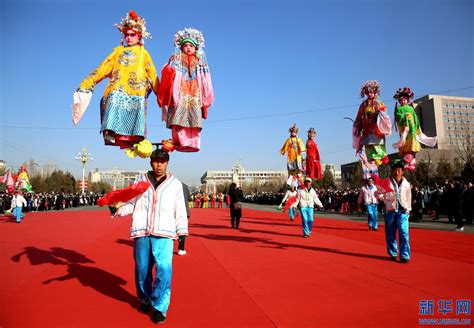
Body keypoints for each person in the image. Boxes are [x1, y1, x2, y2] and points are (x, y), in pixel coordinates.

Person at [115, 148, 188, 324]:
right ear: (150, 163)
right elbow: (132, 203)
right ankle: (145, 298)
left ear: (167, 163)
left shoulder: (175, 184)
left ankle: (159, 306)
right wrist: (117, 209)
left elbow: (180, 210)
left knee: (164, 269)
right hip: (142, 231)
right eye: (155, 161)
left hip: (165, 233)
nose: (158, 165)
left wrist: (182, 233)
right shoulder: (140, 180)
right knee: (142, 270)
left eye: (162, 162)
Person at [72, 10, 159, 151]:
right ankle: (111, 131)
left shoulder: (144, 54)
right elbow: (102, 68)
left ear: (139, 36)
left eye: (132, 35)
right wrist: (87, 83)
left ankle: (133, 137)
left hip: (135, 92)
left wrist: (162, 96)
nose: (129, 38)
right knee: (113, 96)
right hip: (116, 89)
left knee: (135, 111)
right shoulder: (117, 52)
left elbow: (153, 76)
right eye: (126, 35)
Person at [158, 27, 214, 152]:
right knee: (178, 117)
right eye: (185, 45)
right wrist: (170, 64)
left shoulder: (200, 61)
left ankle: (192, 143)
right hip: (180, 92)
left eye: (191, 45)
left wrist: (205, 95)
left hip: (194, 92)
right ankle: (179, 141)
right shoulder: (176, 59)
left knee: (194, 118)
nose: (188, 48)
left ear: (196, 48)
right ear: (181, 47)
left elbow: (206, 79)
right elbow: (167, 74)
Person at [392, 87, 437, 170]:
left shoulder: (410, 108)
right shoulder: (398, 108)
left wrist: (417, 127)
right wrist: (404, 117)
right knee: (405, 145)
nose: (403, 101)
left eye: (405, 100)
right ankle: (407, 162)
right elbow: (397, 116)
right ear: (399, 101)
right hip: (404, 130)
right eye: (401, 100)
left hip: (412, 130)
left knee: (412, 146)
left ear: (408, 100)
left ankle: (411, 162)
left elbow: (415, 118)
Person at [376, 162, 412, 263]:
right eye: (395, 170)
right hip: (390, 211)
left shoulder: (406, 184)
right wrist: (380, 196)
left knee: (404, 233)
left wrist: (408, 210)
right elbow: (381, 194)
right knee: (390, 233)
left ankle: (405, 255)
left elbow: (409, 197)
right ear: (392, 171)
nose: (396, 172)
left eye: (399, 170)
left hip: (403, 212)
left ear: (402, 172)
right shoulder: (386, 182)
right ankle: (393, 253)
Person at [352, 80, 391, 167]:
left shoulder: (379, 103)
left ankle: (380, 158)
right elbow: (359, 117)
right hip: (367, 128)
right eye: (368, 93)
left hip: (376, 128)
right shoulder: (363, 105)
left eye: (372, 92)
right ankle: (371, 160)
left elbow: (384, 113)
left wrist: (378, 113)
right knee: (368, 145)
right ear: (366, 93)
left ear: (375, 93)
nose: (370, 94)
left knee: (378, 145)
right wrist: (358, 126)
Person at [178, 183, 191, 256]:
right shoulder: (185, 186)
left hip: (172, 211)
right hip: (184, 211)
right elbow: (189, 198)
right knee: (182, 230)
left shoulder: (170, 184)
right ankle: (181, 249)